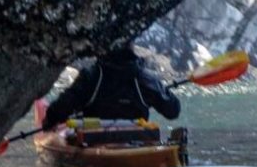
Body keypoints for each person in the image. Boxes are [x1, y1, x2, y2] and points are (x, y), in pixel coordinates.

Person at [41, 44, 182, 128]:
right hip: (135, 140)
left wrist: (49, 120)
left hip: (93, 140)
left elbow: (61, 108)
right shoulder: (146, 78)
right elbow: (173, 111)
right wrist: (163, 91)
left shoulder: (92, 76)